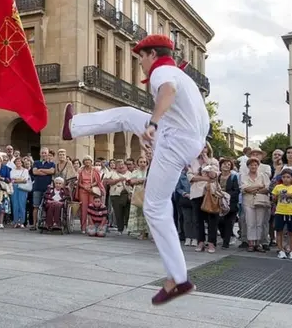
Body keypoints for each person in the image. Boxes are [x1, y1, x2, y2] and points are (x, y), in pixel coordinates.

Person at [61, 34, 209, 305]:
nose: (139, 62)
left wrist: (153, 123)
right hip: (186, 138)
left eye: (140, 56)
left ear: (151, 54)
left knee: (154, 206)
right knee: (127, 115)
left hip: (174, 138)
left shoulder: (161, 71)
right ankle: (74, 126)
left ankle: (178, 277)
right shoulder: (178, 73)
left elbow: (168, 91)